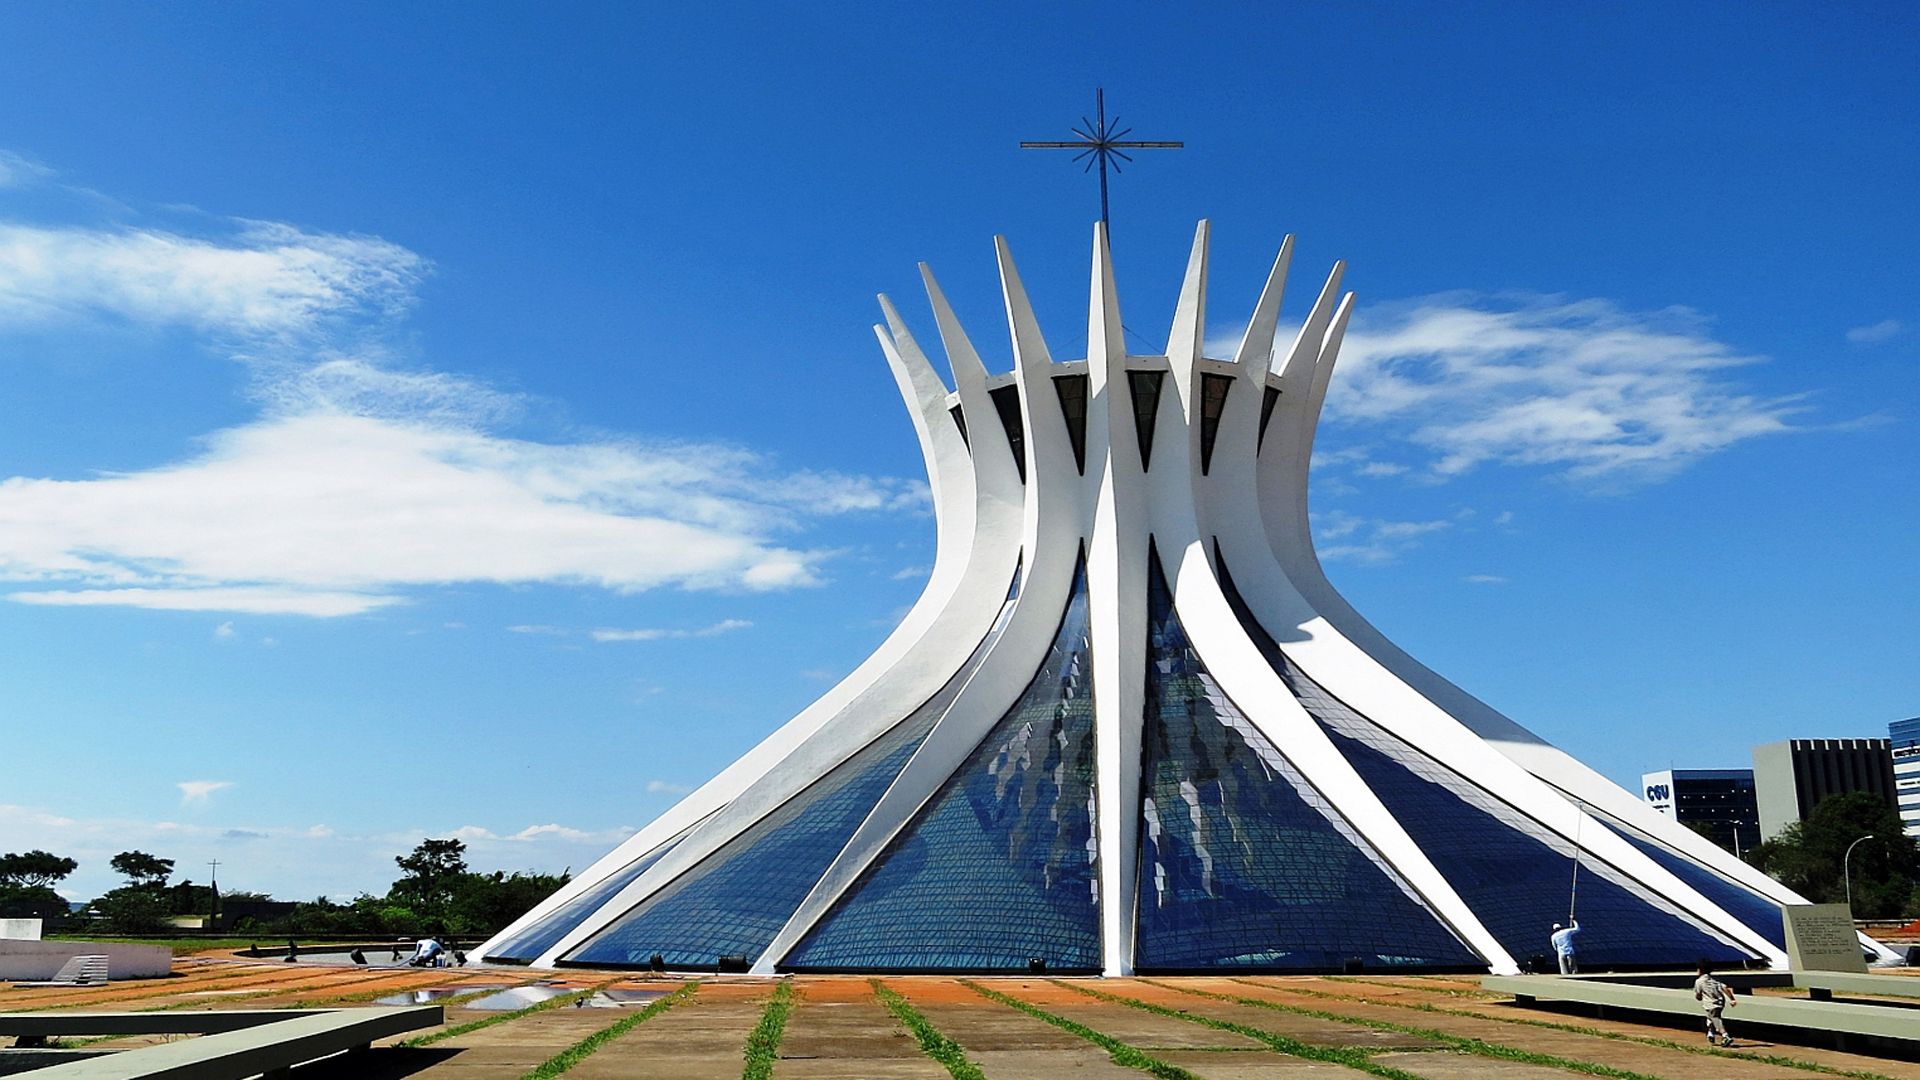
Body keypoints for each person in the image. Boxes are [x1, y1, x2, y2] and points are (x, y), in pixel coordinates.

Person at [1694, 960, 1737, 1046]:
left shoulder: (1699, 982)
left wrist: (1699, 997)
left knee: (1715, 1019)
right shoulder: (1714, 981)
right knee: (1710, 1019)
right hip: (1720, 1003)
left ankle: (1725, 1036)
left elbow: (1698, 995)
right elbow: (1725, 988)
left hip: (1711, 1004)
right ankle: (1711, 1034)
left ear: (1699, 970)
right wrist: (1732, 999)